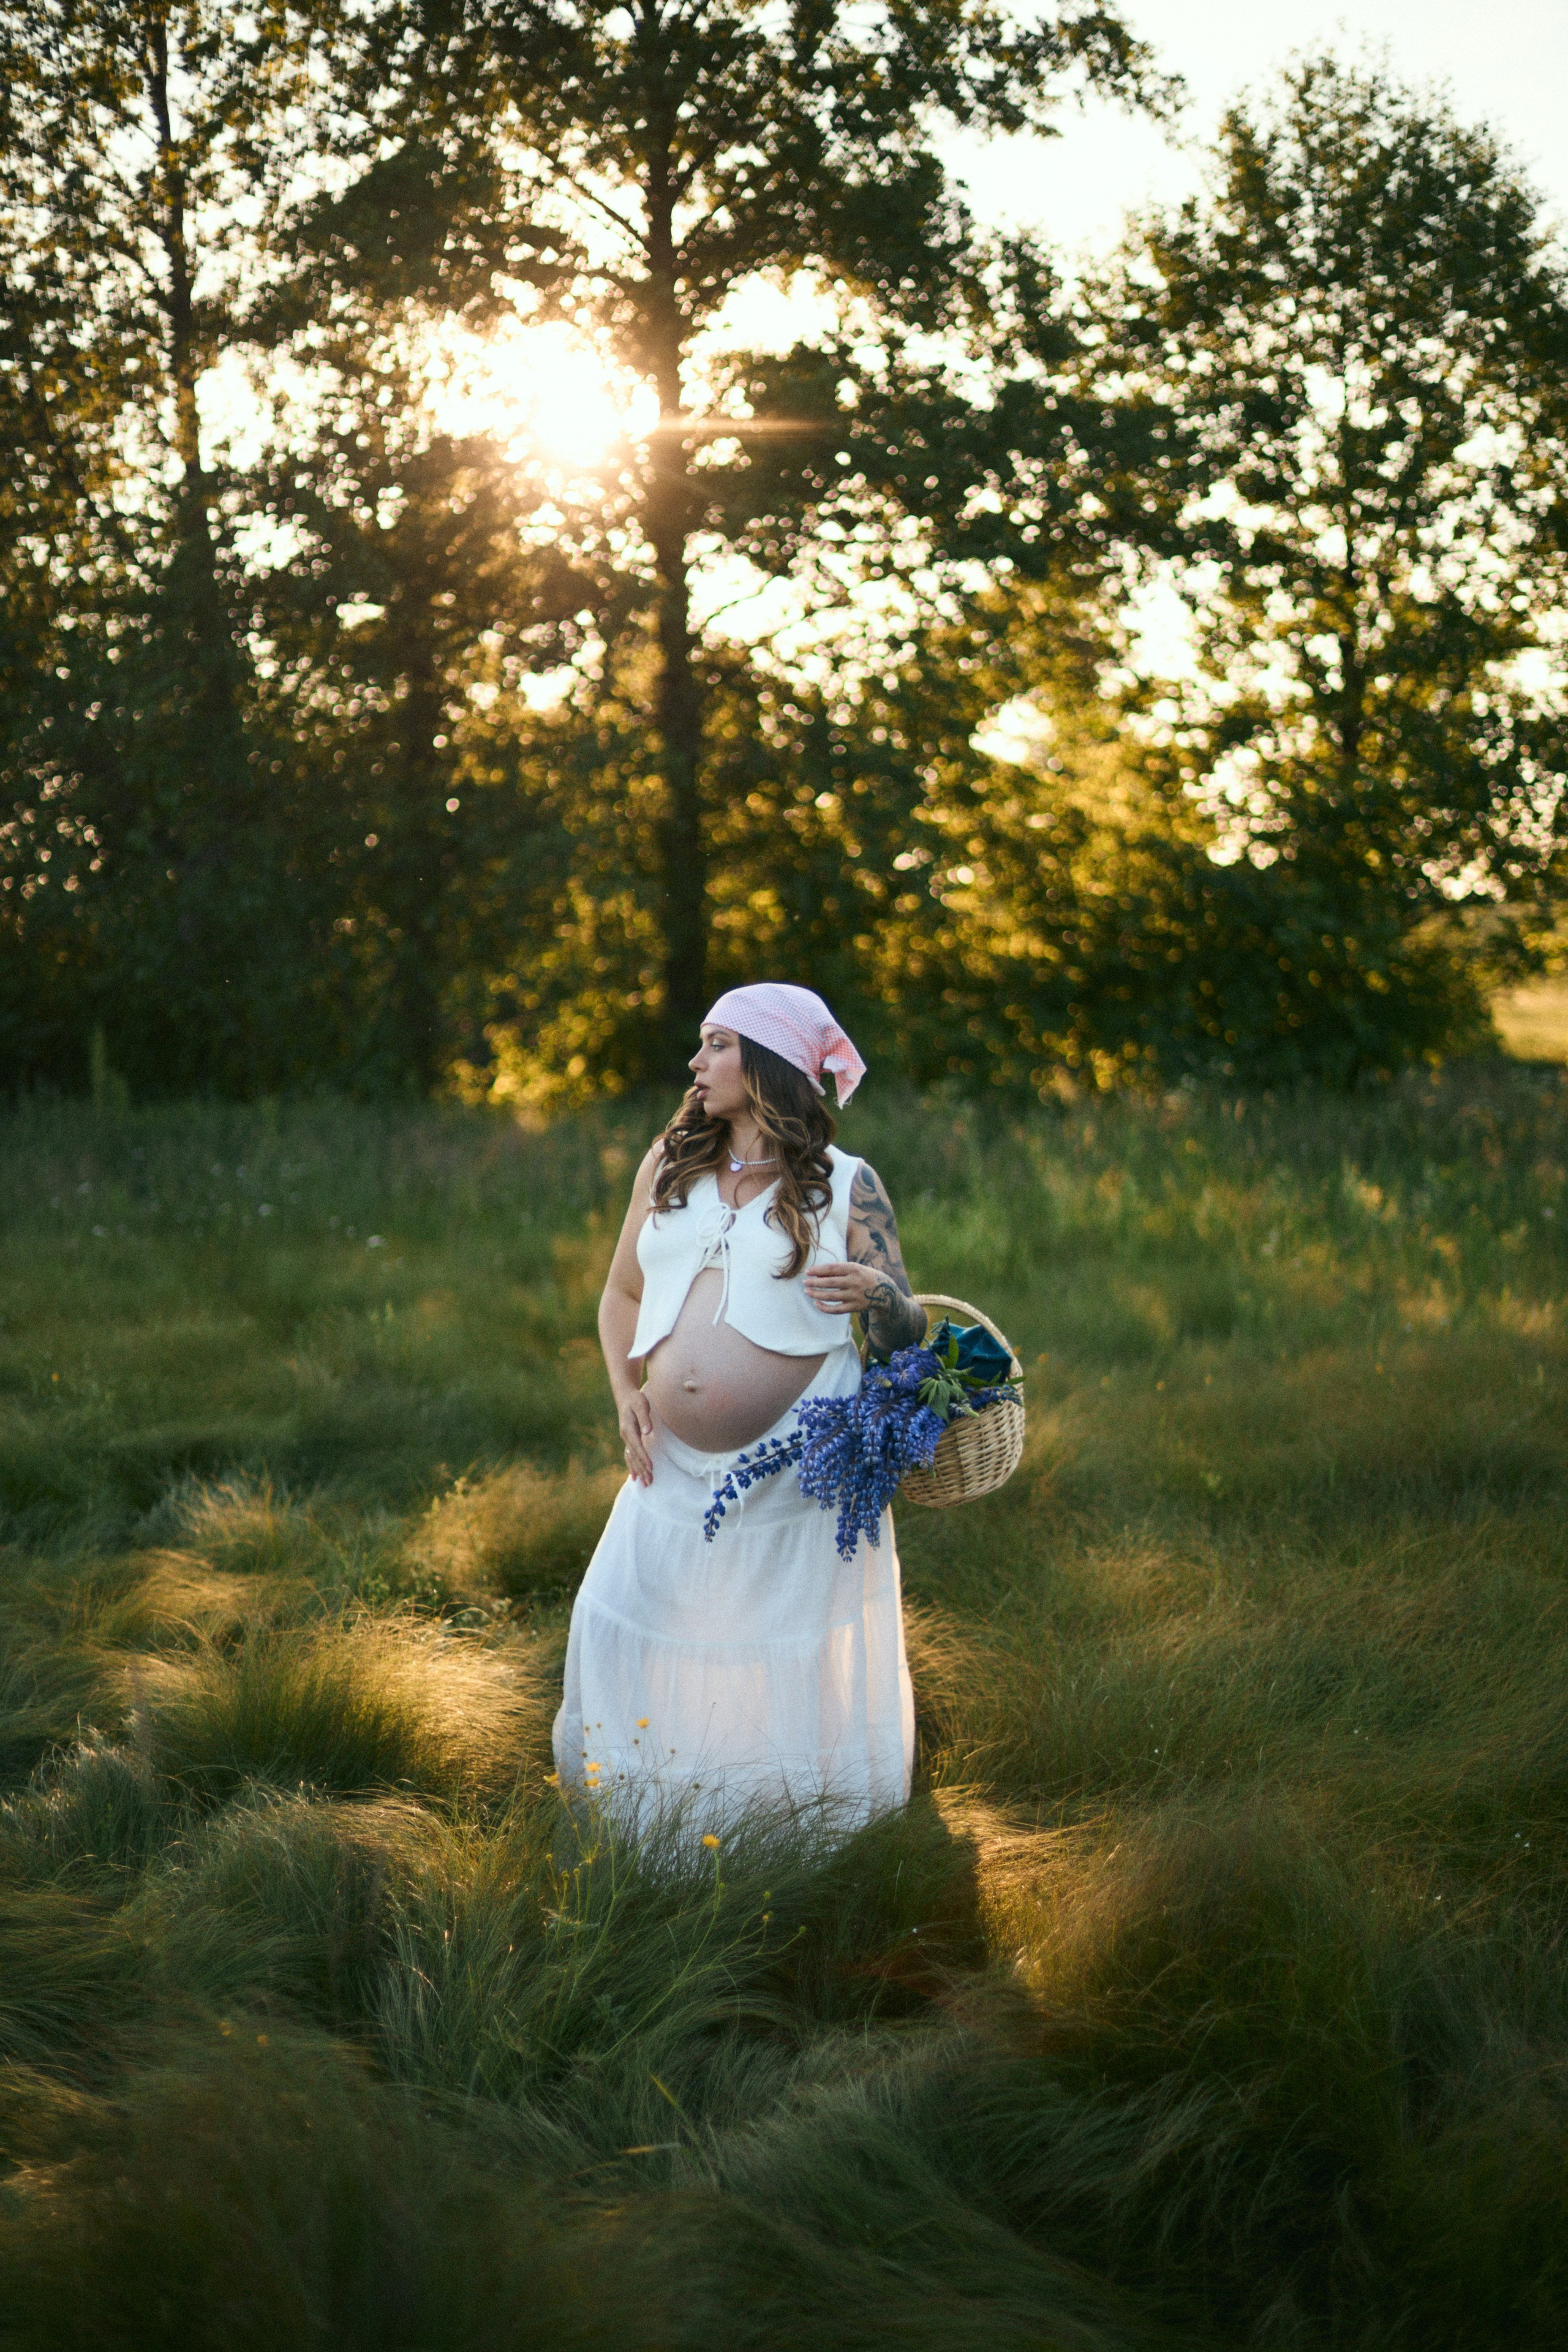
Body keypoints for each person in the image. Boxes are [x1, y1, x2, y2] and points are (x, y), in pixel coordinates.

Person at [551, 982, 926, 1834]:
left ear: (769, 1062)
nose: (696, 1062)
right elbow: (618, 1294)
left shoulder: (847, 1185)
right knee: (634, 1614)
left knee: (777, 1656)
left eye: (717, 1043)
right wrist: (625, 1397)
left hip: (798, 1474)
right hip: (672, 1467)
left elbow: (908, 1333)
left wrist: (877, 1294)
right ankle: (649, 1829)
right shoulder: (669, 1162)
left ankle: (789, 1837)